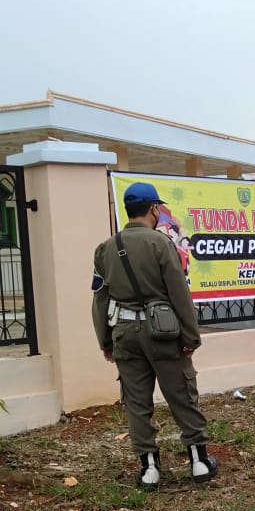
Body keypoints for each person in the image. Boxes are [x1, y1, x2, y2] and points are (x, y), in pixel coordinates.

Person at [91, 181, 217, 491]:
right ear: (154, 209)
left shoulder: (105, 248)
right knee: (181, 395)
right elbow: (179, 292)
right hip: (163, 333)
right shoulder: (162, 244)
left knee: (136, 401)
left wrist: (105, 341)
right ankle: (199, 462)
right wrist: (191, 336)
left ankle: (149, 469)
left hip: (124, 334)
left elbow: (100, 298)